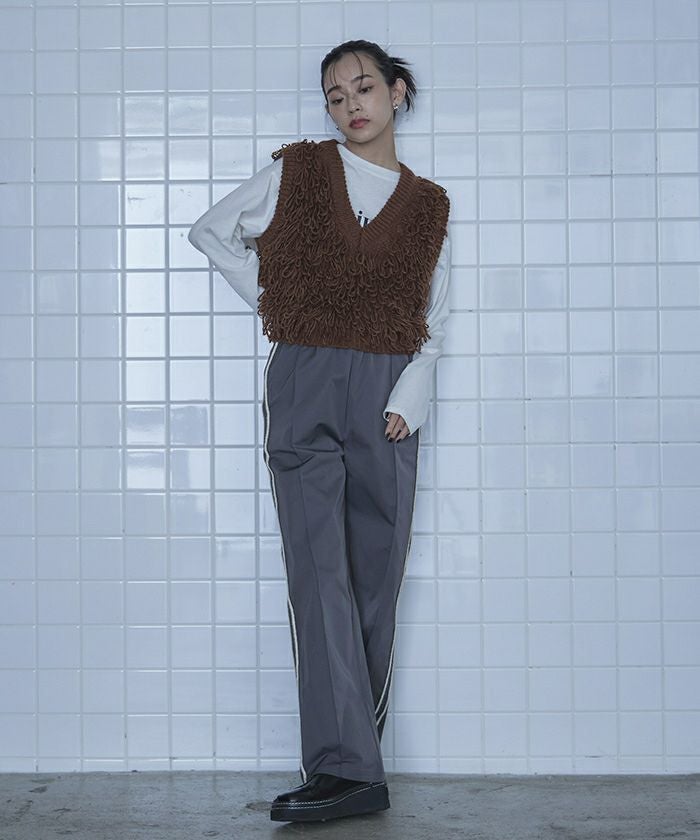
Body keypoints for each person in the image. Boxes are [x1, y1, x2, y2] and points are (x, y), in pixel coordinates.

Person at [188, 39, 451, 823]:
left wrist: (416, 388)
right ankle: (344, 770)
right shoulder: (299, 172)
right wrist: (284, 301)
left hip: (389, 394)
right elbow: (212, 231)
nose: (350, 105)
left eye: (363, 87)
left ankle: (354, 763)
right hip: (305, 381)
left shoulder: (429, 205)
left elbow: (436, 313)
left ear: (397, 92)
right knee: (318, 572)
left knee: (375, 572)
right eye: (335, 96)